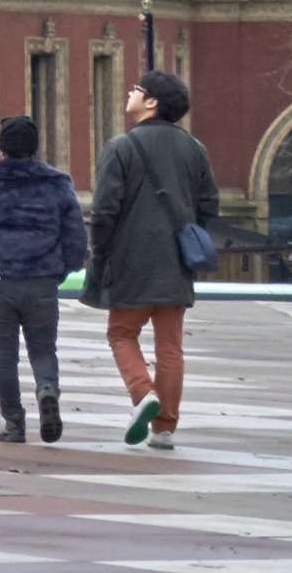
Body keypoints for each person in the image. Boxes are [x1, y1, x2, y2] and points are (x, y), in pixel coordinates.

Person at [87, 66, 221, 449]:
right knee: (170, 346)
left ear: (151, 102)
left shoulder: (121, 147)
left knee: (121, 332)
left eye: (136, 89)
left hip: (130, 258)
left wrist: (101, 251)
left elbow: (105, 210)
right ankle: (164, 428)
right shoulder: (195, 148)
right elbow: (209, 203)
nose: (129, 93)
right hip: (178, 259)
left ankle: (143, 392)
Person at [0, 110, 88, 445]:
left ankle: (14, 423)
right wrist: (67, 265)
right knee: (43, 349)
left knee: (4, 356)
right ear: (35, 147)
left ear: (1, 148)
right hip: (42, 278)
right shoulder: (56, 184)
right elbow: (74, 232)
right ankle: (46, 389)